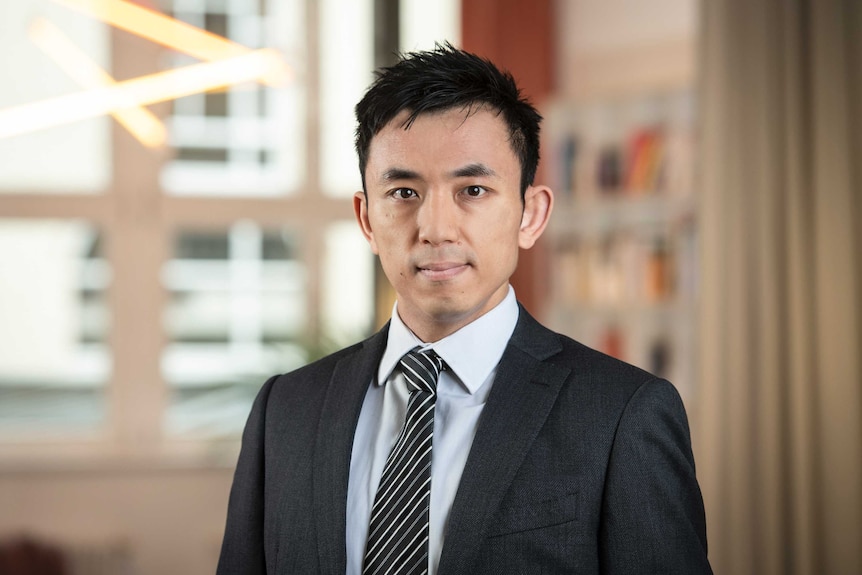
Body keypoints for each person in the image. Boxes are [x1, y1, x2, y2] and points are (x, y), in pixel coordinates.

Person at [217, 43, 712, 575]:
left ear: (530, 215)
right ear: (366, 219)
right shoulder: (286, 411)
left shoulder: (621, 415)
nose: (435, 229)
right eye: (403, 192)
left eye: (473, 189)